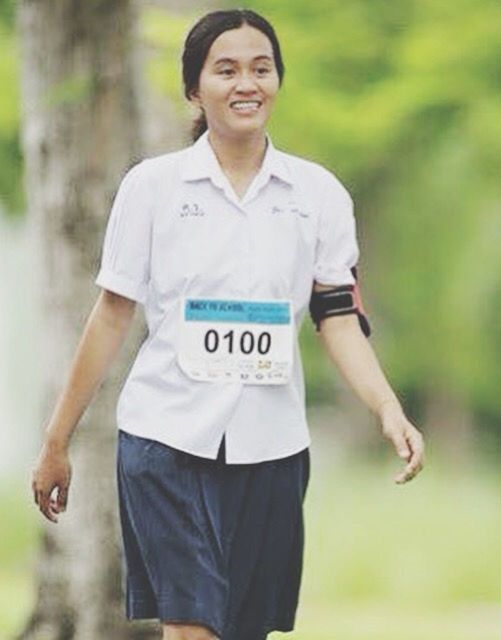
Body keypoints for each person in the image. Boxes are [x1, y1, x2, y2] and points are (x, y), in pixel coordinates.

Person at [30, 8, 425, 640]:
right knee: (193, 630)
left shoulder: (319, 194)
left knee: (242, 631)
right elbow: (111, 314)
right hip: (165, 439)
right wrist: (57, 441)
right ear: (195, 88)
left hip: (272, 448)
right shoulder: (152, 187)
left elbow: (337, 315)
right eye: (227, 70)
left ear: (277, 82)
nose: (247, 83)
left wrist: (387, 409)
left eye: (261, 69)